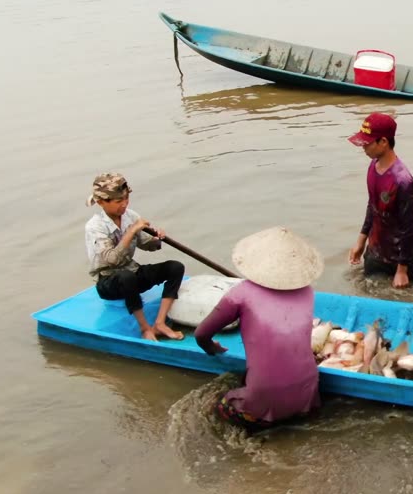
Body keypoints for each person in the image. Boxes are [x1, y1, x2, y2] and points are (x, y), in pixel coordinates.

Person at [195, 227, 323, 432]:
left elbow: (201, 334)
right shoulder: (308, 292)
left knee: (214, 407)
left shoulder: (241, 293)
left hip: (264, 403)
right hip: (308, 397)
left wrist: (211, 348)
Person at [83, 173, 185, 342]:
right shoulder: (95, 227)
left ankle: (159, 323)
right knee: (126, 277)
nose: (124, 204)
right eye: (118, 201)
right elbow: (111, 260)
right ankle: (145, 328)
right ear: (102, 203)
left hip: (131, 272)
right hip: (108, 282)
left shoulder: (130, 216)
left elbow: (147, 245)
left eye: (126, 199)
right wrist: (131, 231)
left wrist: (157, 239)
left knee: (175, 267)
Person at [346, 112, 413, 288]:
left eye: (367, 143)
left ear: (383, 142)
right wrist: (361, 241)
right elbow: (372, 206)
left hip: (402, 256)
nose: (363, 147)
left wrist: (402, 270)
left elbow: (408, 227)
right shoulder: (373, 166)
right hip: (376, 251)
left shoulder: (403, 181)